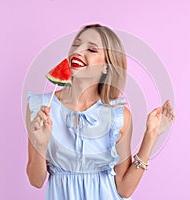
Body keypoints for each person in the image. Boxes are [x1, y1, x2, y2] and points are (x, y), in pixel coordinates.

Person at [25, 24, 175, 200]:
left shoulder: (119, 116)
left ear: (106, 67)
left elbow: (124, 189)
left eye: (91, 49)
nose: (78, 51)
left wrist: (151, 136)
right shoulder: (41, 108)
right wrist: (41, 145)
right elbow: (36, 181)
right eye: (76, 45)